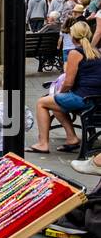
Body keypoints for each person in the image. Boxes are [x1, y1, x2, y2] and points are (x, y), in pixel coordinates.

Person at [31, 20, 101, 155]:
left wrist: (59, 93)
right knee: (55, 102)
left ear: (73, 36)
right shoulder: (96, 52)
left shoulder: (75, 53)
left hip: (84, 99)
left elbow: (68, 83)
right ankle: (71, 138)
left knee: (42, 103)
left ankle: (43, 143)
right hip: (96, 99)